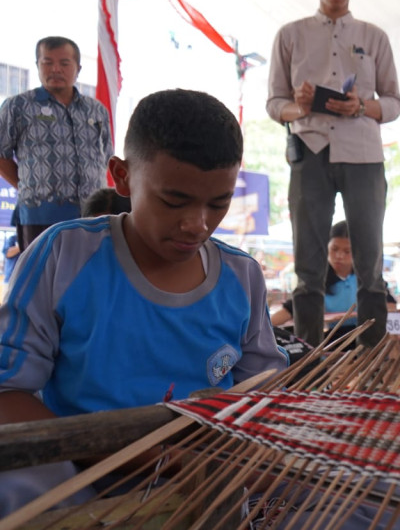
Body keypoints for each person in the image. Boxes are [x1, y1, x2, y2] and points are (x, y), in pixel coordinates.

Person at [0, 89, 288, 514]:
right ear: (121, 175)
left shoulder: (241, 278)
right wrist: (152, 458)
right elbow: (7, 392)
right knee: (19, 479)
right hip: (80, 481)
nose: (197, 225)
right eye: (174, 201)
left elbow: (263, 397)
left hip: (204, 480)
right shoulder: (65, 255)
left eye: (219, 203)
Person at [266, 0, 400, 349]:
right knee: (308, 268)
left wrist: (361, 106)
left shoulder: (374, 36)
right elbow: (274, 103)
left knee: (370, 266)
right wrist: (300, 107)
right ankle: (308, 359)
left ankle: (372, 362)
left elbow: (394, 103)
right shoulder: (290, 35)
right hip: (309, 151)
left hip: (363, 154)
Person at [0, 36, 112, 251]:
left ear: (78, 68)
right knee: (41, 277)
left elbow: (105, 155)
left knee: (87, 276)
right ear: (38, 66)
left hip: (91, 216)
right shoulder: (18, 106)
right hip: (39, 215)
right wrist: (27, 186)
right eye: (47, 62)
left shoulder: (96, 110)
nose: (55, 69)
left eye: (64, 63)